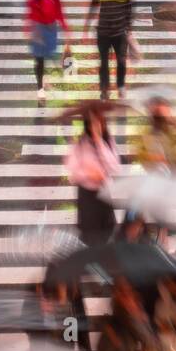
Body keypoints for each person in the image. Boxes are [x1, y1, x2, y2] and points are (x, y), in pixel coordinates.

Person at [65, 105, 121, 247]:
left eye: (100, 122)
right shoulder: (80, 144)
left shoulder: (108, 141)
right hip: (87, 196)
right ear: (87, 124)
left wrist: (99, 141)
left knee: (107, 230)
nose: (98, 125)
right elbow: (72, 170)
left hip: (104, 193)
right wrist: (88, 174)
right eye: (94, 122)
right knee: (89, 234)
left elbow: (115, 166)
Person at [83, 0, 135, 101]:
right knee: (104, 63)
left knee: (121, 62)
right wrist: (86, 28)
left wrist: (128, 29)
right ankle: (104, 90)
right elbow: (93, 7)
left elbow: (129, 11)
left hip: (119, 34)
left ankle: (121, 86)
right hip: (103, 33)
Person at [25, 0, 69, 103]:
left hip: (51, 27)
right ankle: (40, 89)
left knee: (52, 54)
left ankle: (51, 77)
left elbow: (58, 7)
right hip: (38, 28)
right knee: (39, 59)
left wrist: (65, 25)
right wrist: (29, 27)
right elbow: (31, 10)